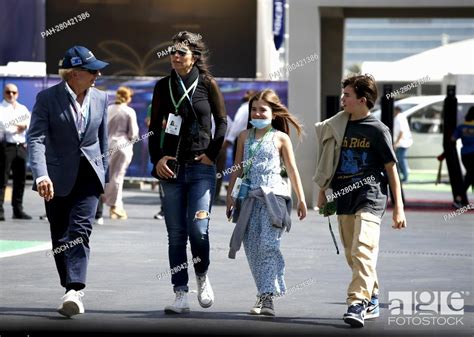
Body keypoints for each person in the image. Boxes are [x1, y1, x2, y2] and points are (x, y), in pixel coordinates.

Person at [314, 74, 407, 328]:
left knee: (362, 249)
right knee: (352, 255)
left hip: (371, 197)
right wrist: (323, 191)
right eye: (342, 94)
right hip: (344, 198)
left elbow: (391, 170)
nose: (342, 99)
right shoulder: (338, 126)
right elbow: (328, 161)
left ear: (362, 100)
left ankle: (357, 303)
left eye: (347, 95)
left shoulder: (377, 130)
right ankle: (373, 295)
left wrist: (398, 207)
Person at [148, 31, 227, 314]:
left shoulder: (207, 84)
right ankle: (180, 293)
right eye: (173, 52)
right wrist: (156, 160)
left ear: (194, 56)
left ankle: (202, 275)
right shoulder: (162, 86)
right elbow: (154, 127)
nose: (176, 56)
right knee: (176, 235)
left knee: (198, 230)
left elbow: (222, 122)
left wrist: (212, 154)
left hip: (201, 169)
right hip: (171, 169)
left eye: (181, 52)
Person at [27, 45, 109, 317]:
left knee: (80, 230)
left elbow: (102, 140)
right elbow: (36, 139)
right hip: (55, 177)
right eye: (92, 71)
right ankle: (68, 287)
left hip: (89, 176)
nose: (97, 75)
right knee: (60, 235)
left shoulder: (101, 98)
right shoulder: (47, 99)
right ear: (74, 74)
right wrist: (41, 174)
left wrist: (104, 178)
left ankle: (75, 289)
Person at [226, 89, 307, 317]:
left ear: (273, 114)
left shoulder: (281, 138)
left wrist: (301, 199)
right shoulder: (244, 136)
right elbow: (238, 168)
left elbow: (292, 169)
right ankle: (263, 293)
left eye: (263, 110)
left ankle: (268, 296)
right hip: (249, 198)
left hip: (274, 199)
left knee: (269, 245)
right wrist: (230, 196)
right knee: (252, 248)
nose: (258, 113)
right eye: (254, 109)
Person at [103, 86, 139, 219]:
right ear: (128, 98)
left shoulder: (108, 109)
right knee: (118, 177)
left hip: (108, 145)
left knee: (109, 176)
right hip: (123, 146)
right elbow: (133, 134)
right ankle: (115, 206)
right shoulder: (129, 111)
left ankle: (114, 204)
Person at [0, 84, 32, 220]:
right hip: (7, 147)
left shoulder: (22, 108)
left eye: (13, 92)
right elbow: (4, 126)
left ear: (17, 93)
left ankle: (17, 209)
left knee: (21, 180)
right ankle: (0, 210)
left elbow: (29, 122)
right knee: (2, 179)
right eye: (8, 92)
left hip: (21, 147)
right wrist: (19, 127)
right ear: (4, 93)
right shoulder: (1, 108)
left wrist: (23, 126)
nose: (11, 95)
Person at [145, 103, 165, 220]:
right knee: (162, 179)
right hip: (160, 147)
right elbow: (149, 122)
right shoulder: (153, 106)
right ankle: (164, 209)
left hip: (178, 148)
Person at [452, 106, 474, 207]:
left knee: (470, 176)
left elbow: (452, 139)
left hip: (465, 154)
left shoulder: (461, 127)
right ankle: (458, 198)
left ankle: (459, 199)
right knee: (469, 177)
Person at [393, 106, 413, 183]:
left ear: (397, 110)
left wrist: (396, 143)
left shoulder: (399, 118)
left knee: (401, 159)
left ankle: (405, 177)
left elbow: (401, 132)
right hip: (402, 143)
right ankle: (403, 176)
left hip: (402, 143)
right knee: (400, 159)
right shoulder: (400, 117)